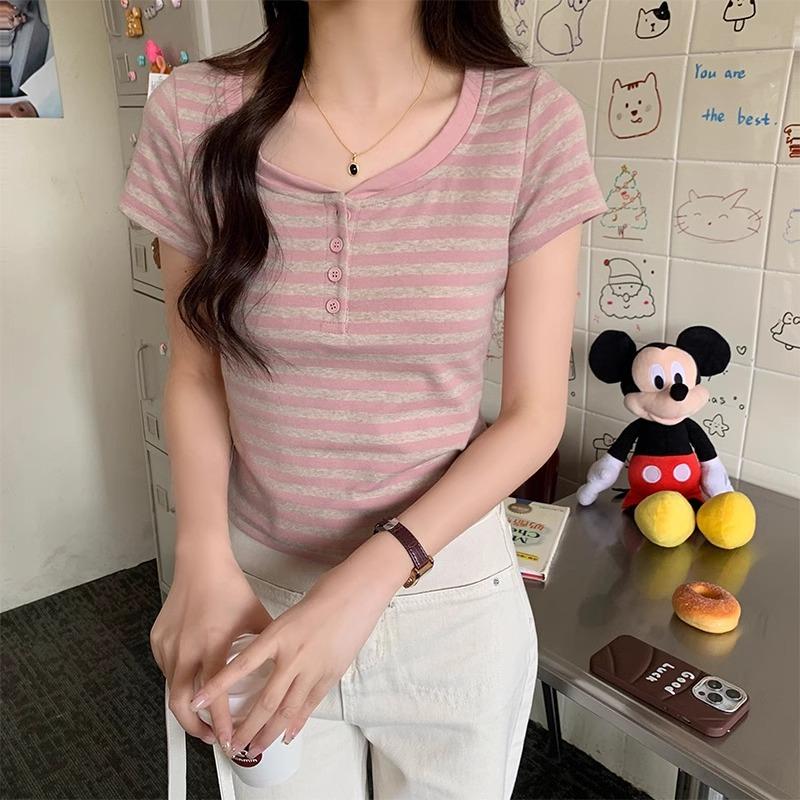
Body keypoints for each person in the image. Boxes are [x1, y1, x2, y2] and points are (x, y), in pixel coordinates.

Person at [117, 1, 607, 797]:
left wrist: (373, 574)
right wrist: (201, 553)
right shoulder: (191, 112)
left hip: (449, 607)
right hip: (257, 598)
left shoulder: (530, 121)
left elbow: (532, 415)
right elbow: (196, 371)